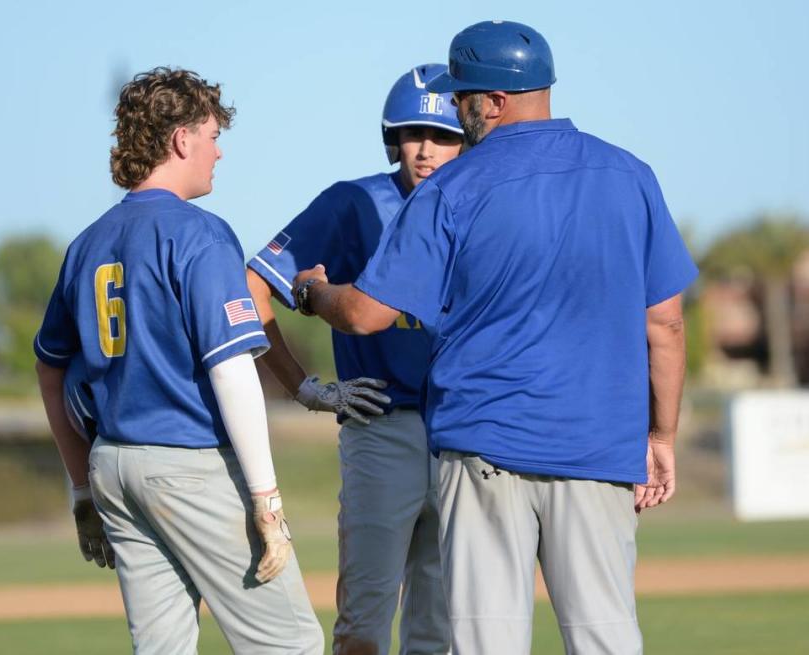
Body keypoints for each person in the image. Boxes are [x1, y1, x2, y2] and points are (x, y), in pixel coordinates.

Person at [291, 21, 698, 655]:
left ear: (492, 101)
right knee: (606, 638)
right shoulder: (630, 174)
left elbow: (367, 314)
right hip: (597, 450)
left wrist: (317, 294)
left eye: (460, 99)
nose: (457, 112)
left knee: (487, 642)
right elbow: (666, 324)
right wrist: (662, 436)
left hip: (484, 448)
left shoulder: (453, 188)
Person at [34, 67, 323, 654]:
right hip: (189, 466)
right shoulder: (200, 235)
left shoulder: (88, 242)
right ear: (181, 139)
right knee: (289, 644)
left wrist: (81, 488)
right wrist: (267, 501)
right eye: (212, 135)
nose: (219, 151)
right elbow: (231, 367)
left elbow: (50, 366)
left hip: (113, 466)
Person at [246, 63, 463, 654]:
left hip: (464, 434)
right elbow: (251, 285)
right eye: (414, 132)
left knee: (440, 631)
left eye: (444, 135)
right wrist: (303, 387)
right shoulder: (354, 201)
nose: (426, 149)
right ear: (392, 137)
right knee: (364, 625)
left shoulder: (485, 205)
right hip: (381, 427)